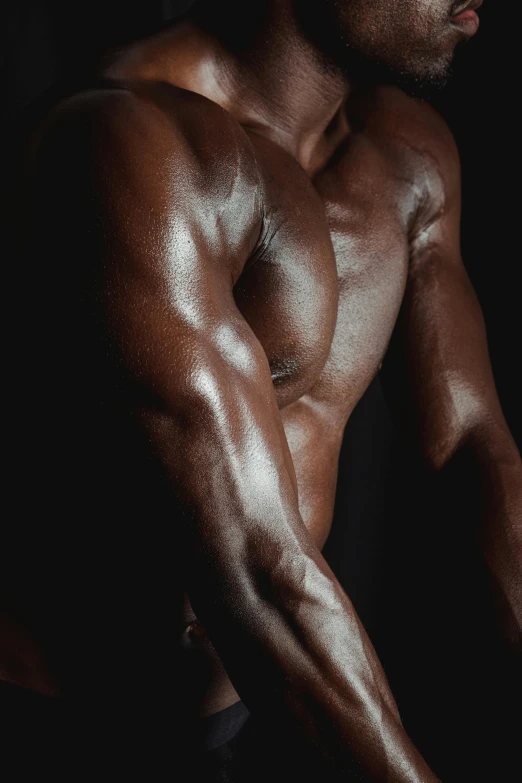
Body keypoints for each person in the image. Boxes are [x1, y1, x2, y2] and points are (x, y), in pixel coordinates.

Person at [3, 0, 520, 779]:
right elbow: (254, 560)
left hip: (251, 709)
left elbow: (472, 455)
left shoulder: (408, 158)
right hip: (51, 731)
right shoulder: (127, 141)